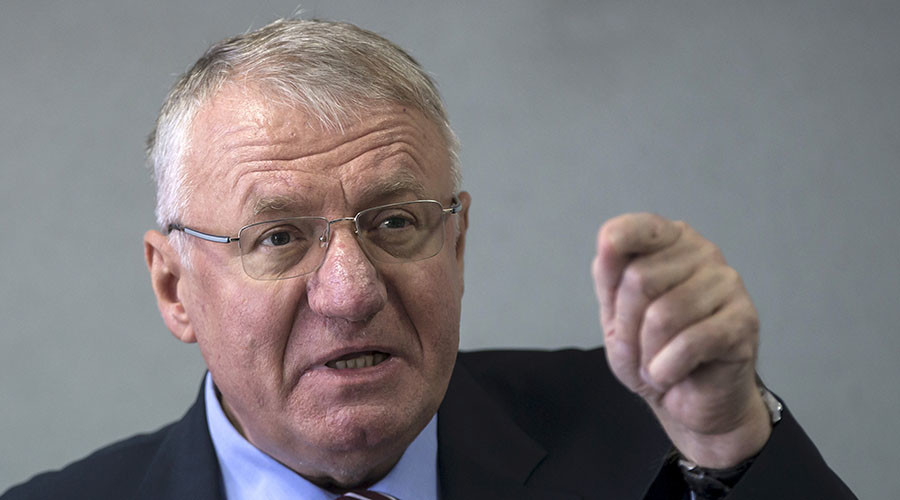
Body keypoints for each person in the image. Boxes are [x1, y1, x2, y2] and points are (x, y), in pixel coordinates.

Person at [2, 18, 855, 500]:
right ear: (173, 286)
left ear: (457, 240)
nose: (350, 292)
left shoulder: (651, 437)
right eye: (279, 237)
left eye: (395, 222)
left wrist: (728, 442)